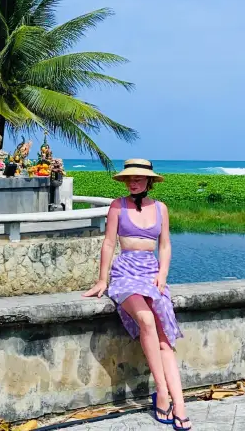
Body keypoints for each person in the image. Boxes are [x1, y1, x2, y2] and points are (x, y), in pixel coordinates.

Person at [83, 158, 191, 430]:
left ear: (149, 181)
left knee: (165, 339)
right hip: (125, 274)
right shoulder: (118, 206)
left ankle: (179, 404)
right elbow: (109, 243)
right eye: (130, 178)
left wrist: (163, 274)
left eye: (139, 178)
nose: (133, 182)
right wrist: (101, 279)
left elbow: (164, 245)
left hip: (151, 273)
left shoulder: (161, 208)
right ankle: (162, 393)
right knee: (145, 320)